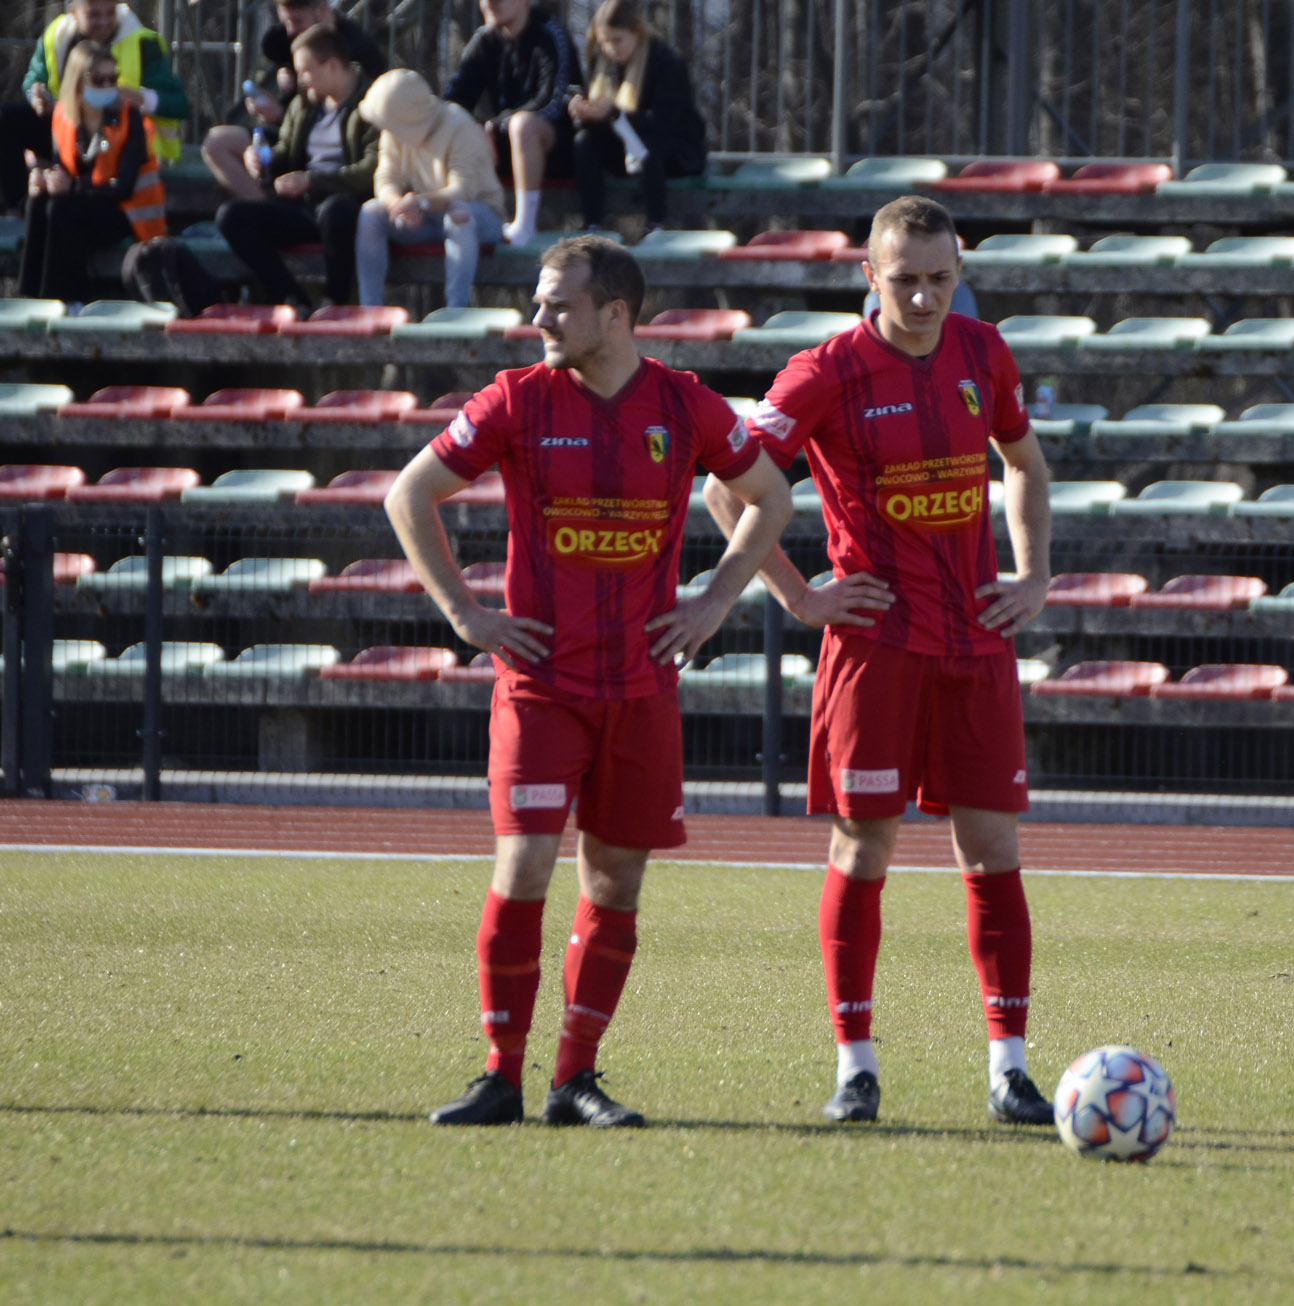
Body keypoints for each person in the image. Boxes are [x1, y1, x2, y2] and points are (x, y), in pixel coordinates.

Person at [385, 235, 793, 1128]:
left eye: (557, 305)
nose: (538, 319)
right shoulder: (518, 399)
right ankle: (500, 1074)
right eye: (539, 302)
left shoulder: (683, 405)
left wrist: (715, 600)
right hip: (541, 683)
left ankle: (575, 1079)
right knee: (527, 862)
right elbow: (408, 495)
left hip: (641, 689)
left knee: (613, 884)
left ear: (615, 315)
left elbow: (771, 495)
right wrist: (467, 615)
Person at [707, 195, 1055, 1127]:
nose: (926, 297)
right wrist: (800, 595)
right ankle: (855, 1067)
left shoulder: (984, 354)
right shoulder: (824, 371)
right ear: (869, 275)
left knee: (992, 851)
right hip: (876, 646)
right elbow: (723, 487)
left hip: (975, 641)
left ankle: (1009, 1069)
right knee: (864, 848)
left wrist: (1034, 575)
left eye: (942, 279)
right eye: (905, 280)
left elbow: (1023, 462)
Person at [215, 24, 378, 311]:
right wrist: (263, 158)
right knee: (231, 217)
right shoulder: (304, 105)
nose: (301, 80)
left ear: (332, 66)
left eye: (306, 71)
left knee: (335, 211)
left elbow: (370, 171)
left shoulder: (372, 104)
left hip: (349, 208)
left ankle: (335, 301)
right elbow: (287, 151)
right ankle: (292, 299)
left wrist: (312, 182)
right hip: (303, 207)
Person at [1, 0, 187, 213]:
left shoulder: (143, 42)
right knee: (8, 119)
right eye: (94, 15)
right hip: (68, 131)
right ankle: (16, 207)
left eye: (110, 13)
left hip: (119, 140)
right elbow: (33, 79)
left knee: (62, 205)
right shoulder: (56, 35)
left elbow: (179, 103)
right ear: (74, 12)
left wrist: (142, 98)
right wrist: (36, 95)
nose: (104, 21)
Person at [18, 41, 165, 304]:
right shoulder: (63, 115)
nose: (109, 86)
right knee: (39, 202)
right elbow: (61, 164)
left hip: (126, 213)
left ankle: (69, 298)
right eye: (99, 79)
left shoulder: (128, 116)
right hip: (85, 202)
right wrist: (45, 178)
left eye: (113, 78)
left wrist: (72, 186)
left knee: (61, 208)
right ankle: (30, 294)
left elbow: (124, 187)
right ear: (77, 82)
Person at [202, 0, 389, 201]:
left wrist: (280, 114)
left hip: (337, 166)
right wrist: (273, 115)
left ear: (323, 12)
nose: (290, 31)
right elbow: (294, 124)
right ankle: (263, 208)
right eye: (285, 22)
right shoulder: (283, 42)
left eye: (297, 21)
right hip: (296, 138)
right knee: (217, 143)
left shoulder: (358, 54)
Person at [354, 69, 506, 309]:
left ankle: (456, 309)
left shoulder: (459, 125)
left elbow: (462, 190)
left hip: (481, 215)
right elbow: (385, 177)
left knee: (459, 215)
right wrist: (397, 204)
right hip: (424, 217)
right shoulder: (394, 130)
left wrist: (419, 202)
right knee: (371, 213)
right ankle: (370, 309)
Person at [443, 0, 582, 246]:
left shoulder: (550, 34)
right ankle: (438, 213)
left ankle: (524, 225)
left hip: (555, 150)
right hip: (500, 149)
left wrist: (494, 127)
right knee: (447, 125)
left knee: (522, 126)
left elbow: (553, 104)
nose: (489, 3)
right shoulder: (484, 40)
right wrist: (475, 129)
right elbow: (452, 102)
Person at [567, 0, 705, 234]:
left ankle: (655, 223)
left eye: (617, 40)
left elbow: (663, 124)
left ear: (637, 33)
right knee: (584, 142)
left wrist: (615, 114)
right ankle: (593, 223)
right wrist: (583, 112)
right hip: (624, 149)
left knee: (648, 145)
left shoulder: (666, 62)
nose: (611, 49)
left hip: (673, 151)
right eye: (605, 42)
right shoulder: (603, 62)